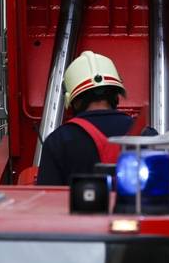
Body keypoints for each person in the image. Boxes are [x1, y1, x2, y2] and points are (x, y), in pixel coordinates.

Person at [38, 51, 142, 185]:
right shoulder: (146, 134)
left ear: (73, 100)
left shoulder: (58, 141)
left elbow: (48, 199)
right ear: (116, 95)